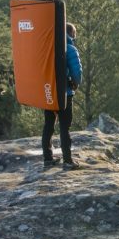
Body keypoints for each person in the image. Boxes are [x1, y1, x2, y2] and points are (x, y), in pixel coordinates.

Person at [43, 22, 82, 169]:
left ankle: (47, 159)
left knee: (48, 126)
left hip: (48, 93)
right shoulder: (70, 49)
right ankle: (67, 161)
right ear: (71, 33)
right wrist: (75, 83)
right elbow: (77, 74)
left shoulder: (48, 47)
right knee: (64, 128)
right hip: (65, 94)